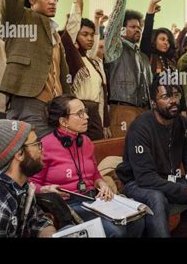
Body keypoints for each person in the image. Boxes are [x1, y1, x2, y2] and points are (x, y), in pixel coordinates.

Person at [116, 75, 187, 237]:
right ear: (153, 103)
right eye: (165, 96)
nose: (173, 101)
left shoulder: (183, 123)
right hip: (138, 184)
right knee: (157, 199)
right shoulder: (140, 127)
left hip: (169, 181)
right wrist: (186, 190)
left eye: (176, 95)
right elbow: (145, 178)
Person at [30, 95, 144, 237]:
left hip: (94, 200)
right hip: (68, 206)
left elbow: (94, 173)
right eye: (80, 114)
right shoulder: (45, 145)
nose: (87, 117)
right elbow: (31, 184)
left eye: (85, 111)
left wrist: (102, 184)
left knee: (137, 220)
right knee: (116, 231)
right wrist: (46, 189)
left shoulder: (86, 141)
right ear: (63, 121)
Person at [1, 0, 71, 139]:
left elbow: (62, 73)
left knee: (53, 160)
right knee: (32, 158)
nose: (53, 2)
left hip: (57, 107)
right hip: (28, 101)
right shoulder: (19, 17)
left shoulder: (54, 31)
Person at [61, 0, 111, 140]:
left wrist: (104, 122)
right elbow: (74, 23)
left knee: (96, 153)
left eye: (92, 35)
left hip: (94, 113)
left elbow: (101, 97)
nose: (90, 38)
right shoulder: (69, 56)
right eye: (84, 34)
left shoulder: (92, 61)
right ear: (75, 36)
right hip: (77, 111)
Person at [104, 0, 152, 138]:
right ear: (122, 29)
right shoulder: (115, 49)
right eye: (133, 26)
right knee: (120, 155)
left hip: (145, 110)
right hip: (123, 109)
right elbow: (113, 23)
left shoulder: (143, 56)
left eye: (139, 27)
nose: (137, 29)